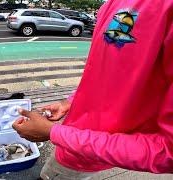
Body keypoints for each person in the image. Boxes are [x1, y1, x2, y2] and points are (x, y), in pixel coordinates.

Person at [13, 0, 173, 179]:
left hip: (91, 153)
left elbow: (167, 153)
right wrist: (70, 102)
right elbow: (110, 74)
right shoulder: (110, 4)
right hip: (74, 144)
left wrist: (55, 133)